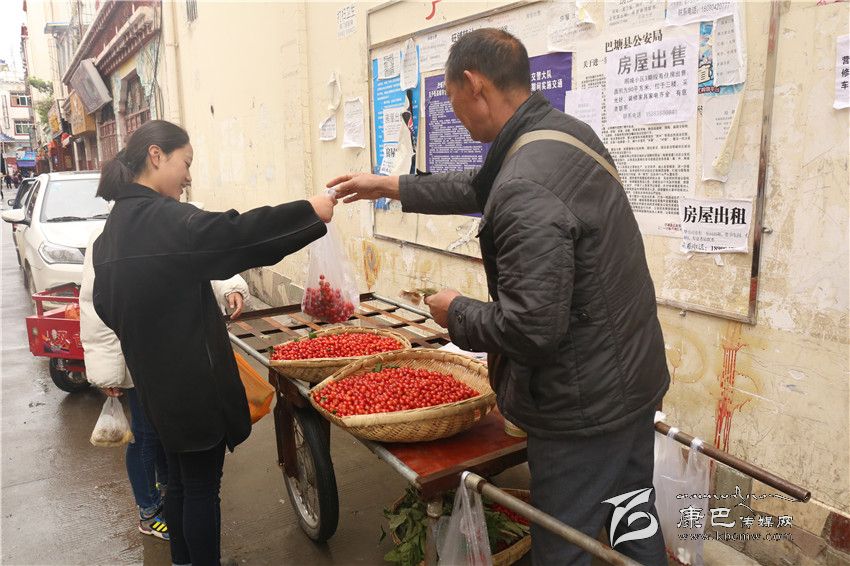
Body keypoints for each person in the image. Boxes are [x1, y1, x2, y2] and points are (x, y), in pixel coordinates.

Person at [329, 29, 669, 566]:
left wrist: (456, 313)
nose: (456, 115)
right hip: (631, 377)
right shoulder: (560, 135)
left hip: (582, 407)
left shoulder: (525, 186)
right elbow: (478, 186)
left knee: (565, 547)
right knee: (632, 520)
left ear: (474, 85)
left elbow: (532, 329)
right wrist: (389, 185)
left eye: (451, 99)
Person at [92, 120, 335, 566]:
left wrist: (153, 331)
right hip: (193, 389)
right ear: (155, 155)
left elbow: (106, 306)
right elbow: (238, 234)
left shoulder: (109, 235)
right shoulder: (167, 220)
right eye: (185, 163)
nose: (188, 176)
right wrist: (309, 212)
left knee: (179, 483)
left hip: (155, 388)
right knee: (202, 488)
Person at [81, 219, 252, 542]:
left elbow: (206, 254)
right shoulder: (106, 237)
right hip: (136, 358)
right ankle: (149, 511)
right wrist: (105, 369)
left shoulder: (173, 220)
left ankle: (170, 496)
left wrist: (231, 286)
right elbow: (93, 305)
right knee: (145, 435)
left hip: (173, 357)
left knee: (168, 439)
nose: (183, 188)